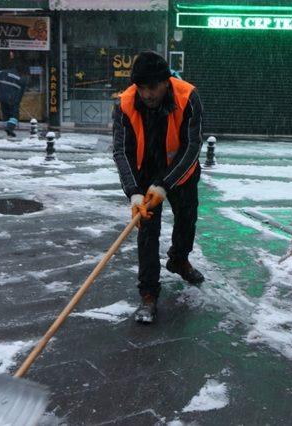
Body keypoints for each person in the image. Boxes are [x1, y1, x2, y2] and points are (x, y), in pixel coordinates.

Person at [113, 51, 205, 324]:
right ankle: (149, 294)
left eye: (152, 87)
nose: (147, 94)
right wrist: (134, 193)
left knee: (186, 219)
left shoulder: (188, 97)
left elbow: (192, 146)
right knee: (147, 233)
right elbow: (122, 152)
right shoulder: (124, 104)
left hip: (180, 170)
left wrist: (165, 184)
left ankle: (179, 259)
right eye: (141, 88)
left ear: (166, 82)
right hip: (144, 172)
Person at [0, 64, 26, 137]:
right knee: (14, 115)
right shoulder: (21, 79)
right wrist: (18, 102)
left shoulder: (3, 72)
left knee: (6, 114)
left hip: (2, 97)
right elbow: (21, 93)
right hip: (12, 99)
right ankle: (9, 128)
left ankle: (8, 131)